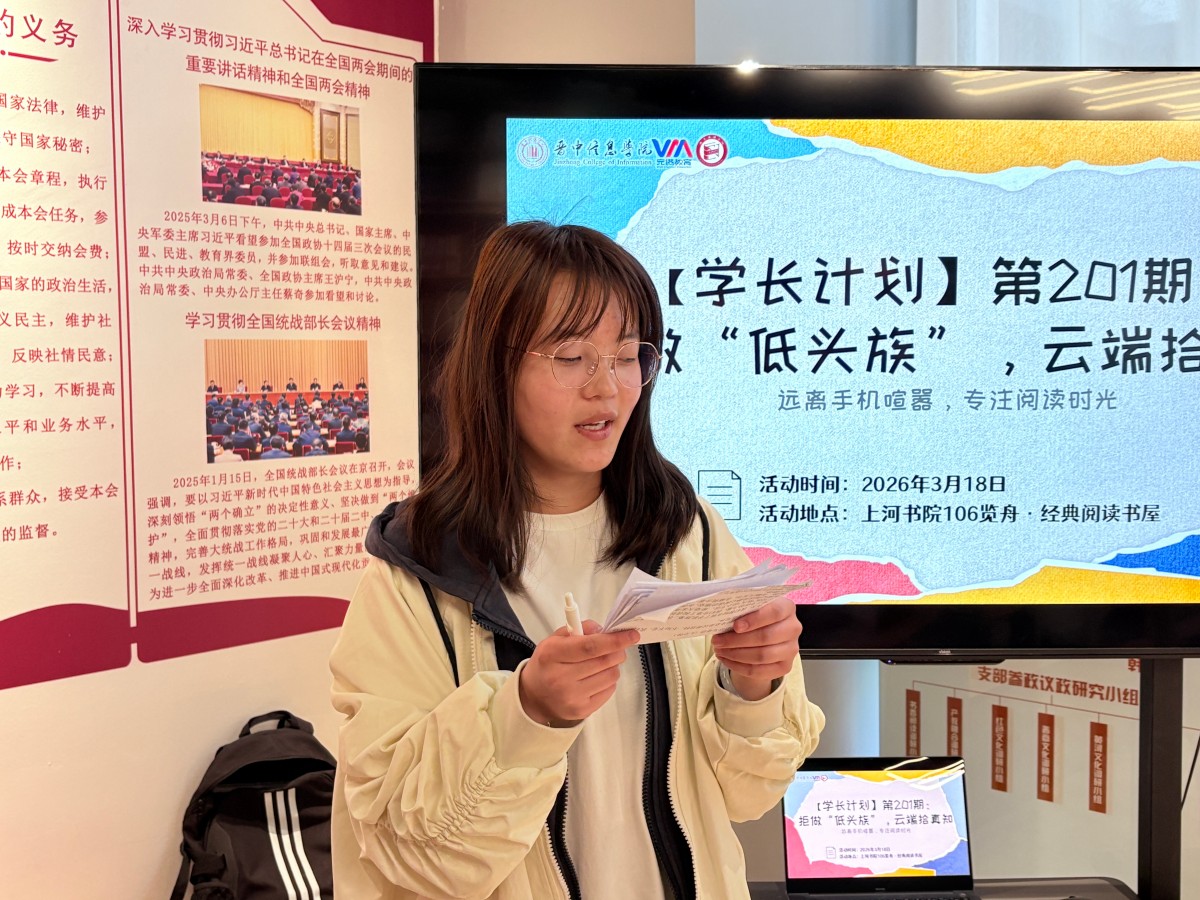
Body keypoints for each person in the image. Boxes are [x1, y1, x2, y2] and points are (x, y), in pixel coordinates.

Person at [329, 222, 824, 900]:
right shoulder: (417, 569)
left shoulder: (686, 529)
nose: (608, 388)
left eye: (627, 355)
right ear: (495, 369)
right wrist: (527, 713)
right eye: (571, 357)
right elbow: (407, 854)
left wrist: (754, 686)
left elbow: (749, 792)